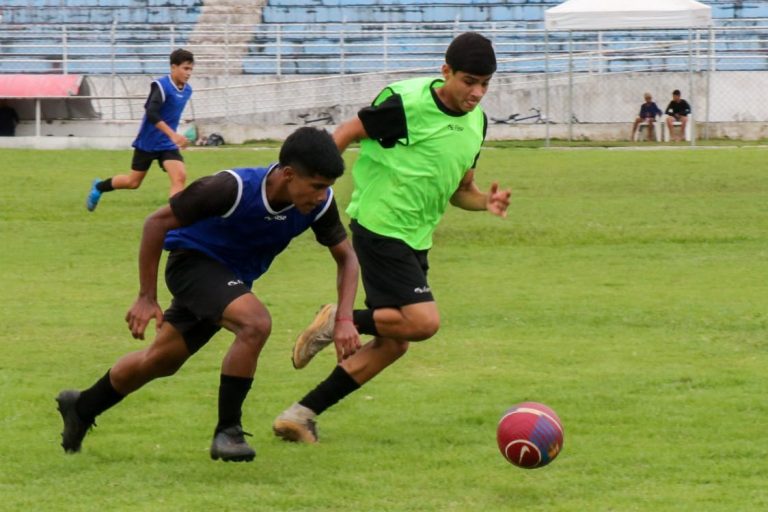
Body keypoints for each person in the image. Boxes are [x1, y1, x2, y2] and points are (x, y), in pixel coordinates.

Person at [57, 127, 361, 462]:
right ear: (288, 174)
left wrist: (345, 318)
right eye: (316, 186)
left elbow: (346, 258)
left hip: (229, 281)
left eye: (327, 188)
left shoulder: (319, 206)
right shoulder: (230, 187)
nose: (321, 196)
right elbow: (156, 223)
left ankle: (81, 407)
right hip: (192, 264)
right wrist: (146, 296)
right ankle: (228, 431)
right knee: (255, 324)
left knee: (160, 360)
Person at [272, 32, 511, 444]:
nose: (477, 93)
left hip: (417, 237)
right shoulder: (408, 104)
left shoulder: (477, 123)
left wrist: (484, 202)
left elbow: (461, 191)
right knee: (423, 321)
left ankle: (300, 414)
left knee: (394, 344)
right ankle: (335, 321)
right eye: (469, 81)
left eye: (485, 84)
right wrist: (315, 186)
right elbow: (346, 133)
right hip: (381, 226)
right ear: (446, 72)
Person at [85, 48, 195, 212]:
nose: (189, 73)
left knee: (179, 177)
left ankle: (174, 215)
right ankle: (100, 187)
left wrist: (178, 137)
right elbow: (151, 113)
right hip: (148, 142)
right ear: (173, 67)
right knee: (133, 182)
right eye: (185, 68)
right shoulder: (161, 86)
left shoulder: (187, 90)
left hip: (166, 144)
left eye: (191, 69)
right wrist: (173, 135)